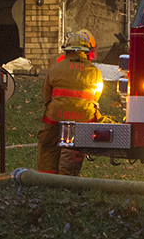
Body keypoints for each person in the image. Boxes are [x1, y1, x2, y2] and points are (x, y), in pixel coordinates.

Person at [37, 29, 103, 176]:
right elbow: (96, 96)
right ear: (86, 51)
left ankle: (46, 182)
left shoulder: (55, 67)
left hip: (54, 116)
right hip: (82, 119)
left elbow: (46, 92)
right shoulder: (95, 72)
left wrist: (51, 107)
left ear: (67, 50)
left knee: (48, 148)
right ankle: (67, 183)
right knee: (73, 152)